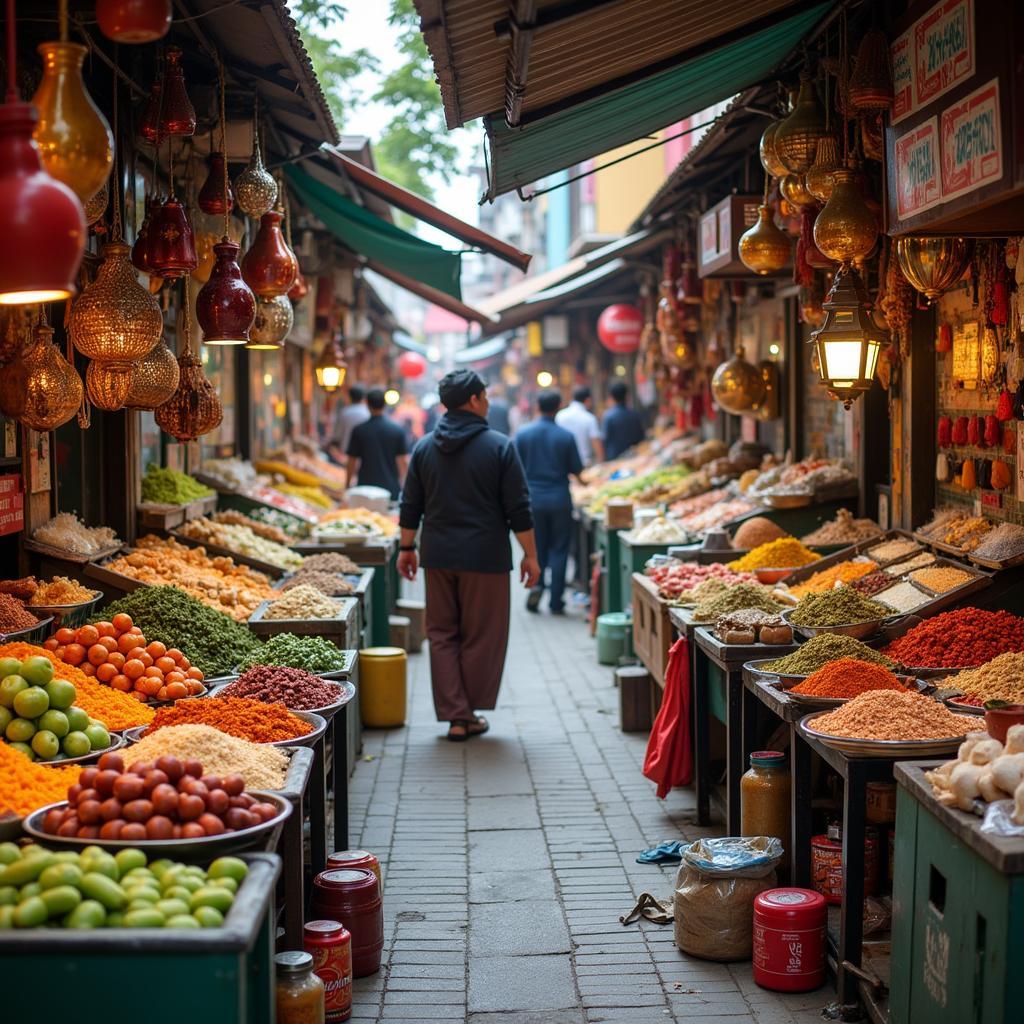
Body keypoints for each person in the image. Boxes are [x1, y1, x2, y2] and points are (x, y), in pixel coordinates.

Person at [398, 369, 541, 742]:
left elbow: (410, 504)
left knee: (442, 633)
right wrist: (530, 555)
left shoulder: (425, 447)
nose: (489, 402)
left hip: (438, 555)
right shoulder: (499, 446)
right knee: (482, 635)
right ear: (475, 400)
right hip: (486, 557)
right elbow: (519, 508)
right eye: (486, 395)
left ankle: (456, 716)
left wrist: (406, 547)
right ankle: (469, 711)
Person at [514, 390, 584, 614]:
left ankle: (538, 584)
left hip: (532, 500)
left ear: (537, 407)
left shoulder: (523, 435)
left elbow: (514, 470)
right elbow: (576, 470)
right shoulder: (565, 436)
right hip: (560, 499)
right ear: (558, 407)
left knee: (538, 548)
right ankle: (556, 600)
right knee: (560, 550)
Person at [346, 389, 409, 499]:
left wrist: (347, 484)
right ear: (385, 405)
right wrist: (405, 486)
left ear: (367, 404)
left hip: (364, 488)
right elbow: (402, 462)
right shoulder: (397, 430)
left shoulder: (359, 430)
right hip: (390, 488)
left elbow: (352, 460)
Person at [556, 386, 604, 465]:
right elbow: (596, 442)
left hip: (564, 463)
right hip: (585, 463)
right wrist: (601, 463)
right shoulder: (589, 418)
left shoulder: (559, 416)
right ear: (588, 400)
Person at [603, 381, 645, 459]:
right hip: (635, 457)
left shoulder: (608, 417)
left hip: (615, 459)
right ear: (626, 396)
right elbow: (641, 437)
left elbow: (605, 440)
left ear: (612, 397)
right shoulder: (634, 414)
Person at [328, 386, 368, 465]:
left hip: (345, 453)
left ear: (350, 397)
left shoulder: (344, 413)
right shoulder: (367, 413)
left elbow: (337, 434)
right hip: (363, 454)